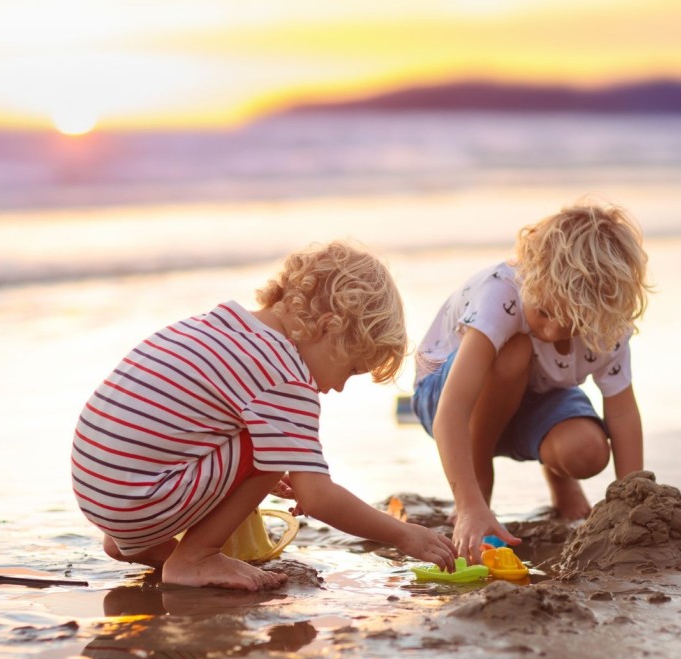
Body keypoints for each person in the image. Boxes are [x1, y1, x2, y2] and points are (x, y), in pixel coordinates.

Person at [71, 241, 455, 590]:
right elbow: (319, 498)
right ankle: (195, 558)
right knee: (274, 446)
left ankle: (133, 542)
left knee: (276, 447)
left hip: (98, 491)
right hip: (141, 501)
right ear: (329, 329)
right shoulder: (286, 374)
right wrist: (405, 536)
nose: (338, 388)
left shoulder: (220, 326)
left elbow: (173, 425)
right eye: (352, 369)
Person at [412, 201, 651, 563]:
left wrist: (632, 501)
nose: (552, 330)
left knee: (588, 451)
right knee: (515, 350)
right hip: (448, 395)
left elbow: (621, 413)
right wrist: (469, 502)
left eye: (571, 324)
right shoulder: (500, 295)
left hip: (535, 395)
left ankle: (561, 482)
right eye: (544, 311)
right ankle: (480, 491)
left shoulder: (606, 324)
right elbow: (453, 410)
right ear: (531, 275)